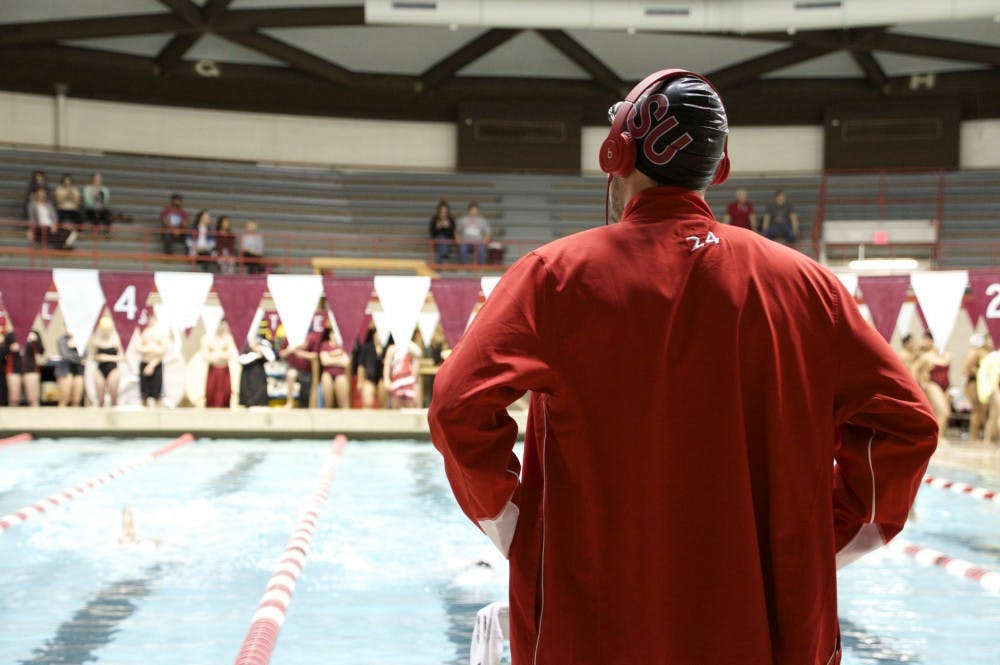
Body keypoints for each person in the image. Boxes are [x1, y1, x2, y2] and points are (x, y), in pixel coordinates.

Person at [428, 68, 938, 665]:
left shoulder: (556, 277)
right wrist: (817, 541)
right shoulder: (807, 286)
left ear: (617, 149)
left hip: (594, 628)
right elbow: (907, 425)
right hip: (766, 628)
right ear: (716, 168)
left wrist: (517, 526)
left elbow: (456, 405)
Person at [912, 331, 952, 436]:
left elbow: (947, 374)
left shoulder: (947, 355)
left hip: (945, 387)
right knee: (943, 413)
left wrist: (949, 388)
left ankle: (936, 437)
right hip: (932, 385)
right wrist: (920, 384)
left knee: (938, 413)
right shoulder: (926, 356)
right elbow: (913, 370)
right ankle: (938, 438)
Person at [962, 333, 992, 444]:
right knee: (977, 411)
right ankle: (973, 438)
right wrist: (980, 373)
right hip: (974, 383)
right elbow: (966, 368)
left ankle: (977, 436)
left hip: (981, 384)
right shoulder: (976, 352)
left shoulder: (986, 353)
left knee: (981, 412)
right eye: (990, 339)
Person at [89, 316, 125, 407]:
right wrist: (98, 357)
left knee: (114, 397)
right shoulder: (96, 341)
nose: (107, 331)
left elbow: (122, 357)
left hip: (113, 369)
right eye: (105, 329)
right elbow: (92, 356)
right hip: (100, 369)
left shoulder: (116, 341)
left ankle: (114, 419)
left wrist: (107, 357)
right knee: (100, 399)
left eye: (109, 329)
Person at [135, 314, 168, 408]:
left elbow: (163, 350)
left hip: (157, 364)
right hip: (144, 363)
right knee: (144, 395)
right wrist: (153, 347)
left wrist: (152, 365)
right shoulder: (141, 330)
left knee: (158, 396)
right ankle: (144, 421)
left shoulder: (161, 331)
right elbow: (137, 348)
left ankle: (159, 421)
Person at [238, 324, 275, 407]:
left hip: (260, 375)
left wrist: (261, 349)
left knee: (260, 398)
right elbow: (241, 359)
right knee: (247, 400)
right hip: (247, 376)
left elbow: (271, 357)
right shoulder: (243, 344)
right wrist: (255, 355)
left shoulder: (263, 343)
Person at [383, 333, 423, 409]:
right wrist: (386, 379)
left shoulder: (411, 348)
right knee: (397, 404)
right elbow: (387, 365)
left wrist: (407, 342)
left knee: (411, 403)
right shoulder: (392, 349)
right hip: (396, 380)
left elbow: (419, 353)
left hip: (409, 381)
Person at [201, 320, 235, 408]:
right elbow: (205, 355)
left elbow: (230, 354)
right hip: (213, 370)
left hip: (224, 369)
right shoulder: (207, 338)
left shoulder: (228, 338)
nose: (222, 326)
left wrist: (216, 353)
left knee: (226, 394)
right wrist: (220, 353)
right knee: (211, 393)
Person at [351, 323, 385, 409]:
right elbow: (361, 365)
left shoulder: (386, 348)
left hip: (382, 379)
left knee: (383, 391)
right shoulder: (367, 348)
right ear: (374, 335)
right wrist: (360, 381)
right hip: (369, 379)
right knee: (367, 398)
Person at [54, 332, 85, 407]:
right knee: (64, 400)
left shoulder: (82, 339)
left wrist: (75, 347)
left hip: (78, 370)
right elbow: (65, 355)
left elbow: (85, 354)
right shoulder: (62, 340)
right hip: (65, 370)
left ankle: (75, 418)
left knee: (76, 400)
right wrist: (79, 358)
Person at [429, 200, 456, 264]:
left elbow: (452, 233)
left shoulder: (450, 219)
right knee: (440, 237)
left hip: (448, 239)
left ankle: (438, 266)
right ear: (439, 210)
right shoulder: (435, 218)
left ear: (447, 210)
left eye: (445, 209)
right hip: (437, 239)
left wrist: (448, 227)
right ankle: (445, 254)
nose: (443, 211)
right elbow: (432, 232)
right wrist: (437, 227)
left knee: (441, 245)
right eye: (442, 209)